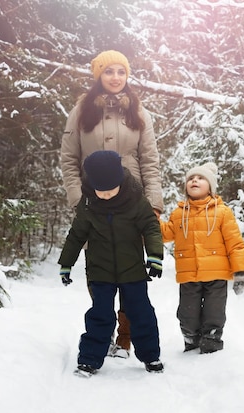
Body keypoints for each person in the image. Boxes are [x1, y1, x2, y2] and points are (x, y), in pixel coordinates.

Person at [60, 49, 164, 359]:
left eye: (121, 71)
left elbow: (150, 159)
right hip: (94, 201)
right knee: (101, 268)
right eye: (109, 71)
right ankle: (102, 334)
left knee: (132, 273)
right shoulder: (81, 110)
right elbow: (68, 159)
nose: (116, 77)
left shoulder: (139, 111)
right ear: (98, 75)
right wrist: (79, 199)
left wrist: (153, 202)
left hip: (132, 203)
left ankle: (126, 338)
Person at [58, 150, 164, 377]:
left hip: (133, 270)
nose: (105, 195)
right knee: (100, 315)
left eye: (110, 190)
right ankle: (89, 360)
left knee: (141, 313)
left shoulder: (136, 200)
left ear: (120, 182)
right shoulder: (87, 205)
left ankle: (151, 356)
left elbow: (151, 228)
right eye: (100, 191)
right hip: (100, 271)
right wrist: (66, 264)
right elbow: (76, 235)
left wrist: (155, 257)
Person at [160, 162, 244, 354]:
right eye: (191, 178)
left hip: (217, 274)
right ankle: (191, 340)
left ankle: (212, 342)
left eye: (200, 178)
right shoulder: (179, 213)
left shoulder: (222, 212)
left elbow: (235, 243)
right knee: (187, 314)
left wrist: (240, 271)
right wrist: (150, 219)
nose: (194, 181)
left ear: (211, 186)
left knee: (214, 313)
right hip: (188, 275)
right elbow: (165, 234)